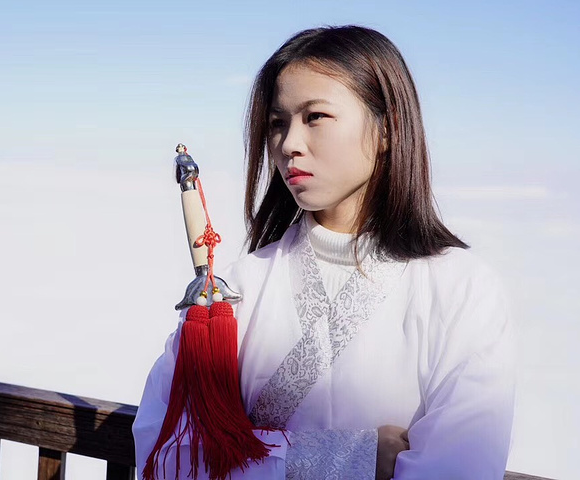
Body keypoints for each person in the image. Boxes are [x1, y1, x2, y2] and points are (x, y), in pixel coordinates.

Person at [133, 25, 516, 480]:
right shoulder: (233, 292)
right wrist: (348, 458)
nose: (288, 144)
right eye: (278, 123)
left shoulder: (461, 289)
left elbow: (459, 467)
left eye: (315, 116)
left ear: (388, 127)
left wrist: (265, 458)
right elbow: (167, 453)